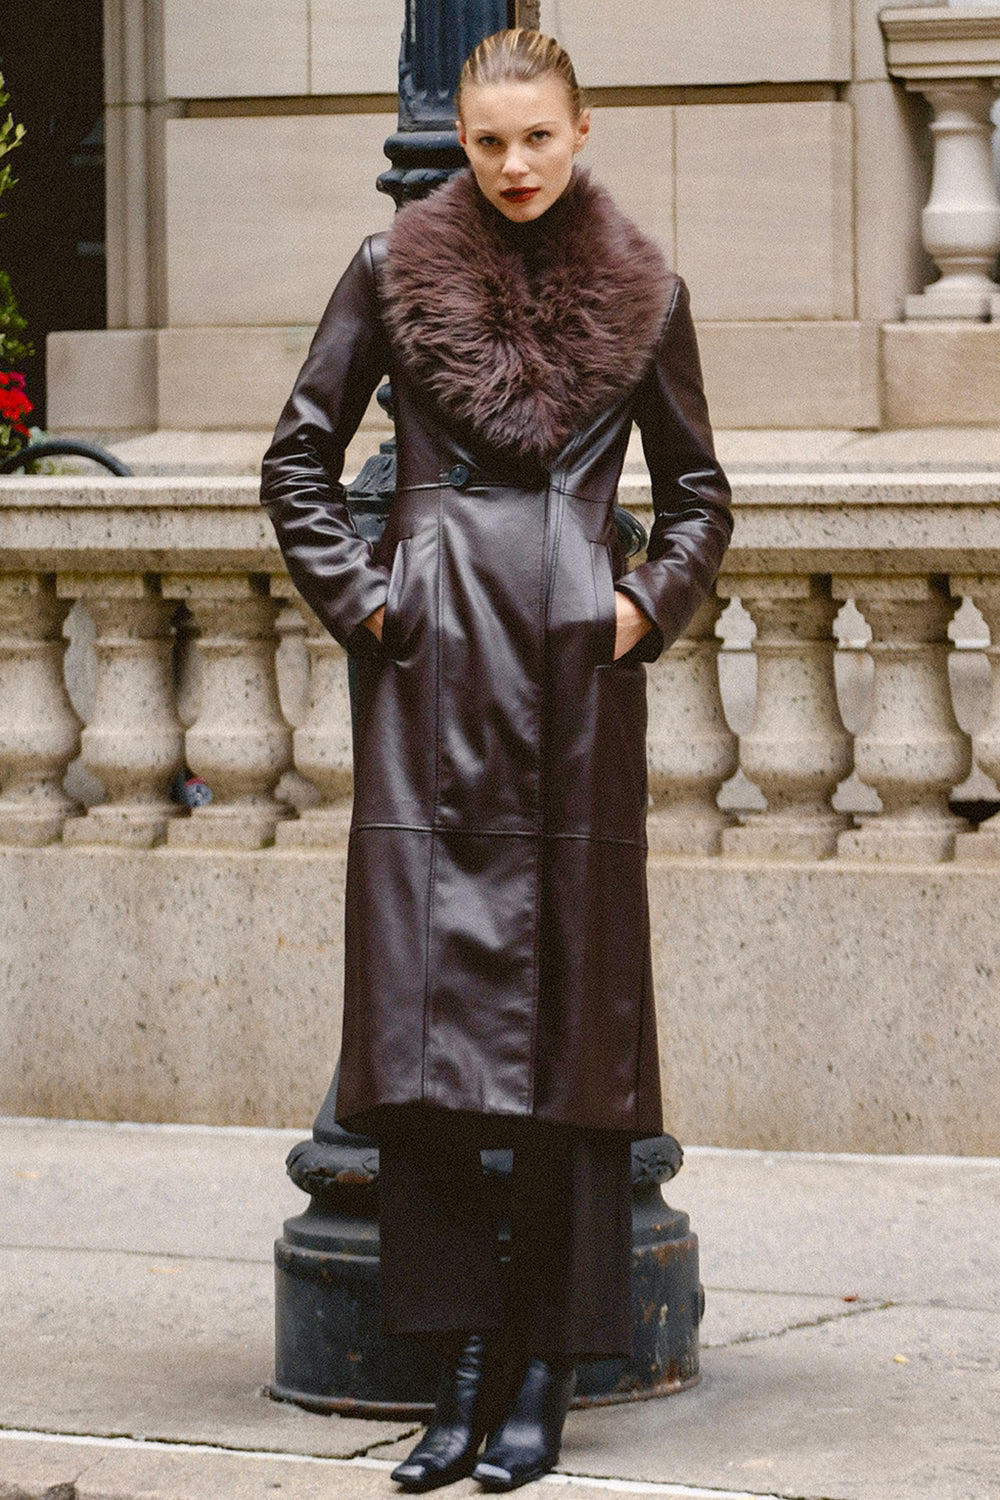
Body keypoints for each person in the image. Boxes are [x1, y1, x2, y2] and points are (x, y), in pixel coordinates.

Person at [261, 28, 732, 1494]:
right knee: (427, 1051)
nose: (513, 164)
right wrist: (375, 600)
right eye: (485, 140)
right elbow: (295, 459)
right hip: (431, 690)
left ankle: (542, 1370)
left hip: (573, 697)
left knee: (572, 1053)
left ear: (582, 131)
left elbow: (701, 496)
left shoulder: (647, 292)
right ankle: (461, 1366)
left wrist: (635, 608)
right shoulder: (389, 269)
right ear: (458, 142)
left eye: (536, 136)